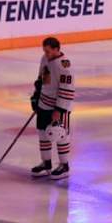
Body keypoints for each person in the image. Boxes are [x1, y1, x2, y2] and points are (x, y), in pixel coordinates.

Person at [30, 37, 75, 180]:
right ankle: (46, 163)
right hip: (44, 103)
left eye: (48, 51)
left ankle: (64, 165)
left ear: (57, 49)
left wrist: (59, 109)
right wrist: (36, 97)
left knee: (61, 134)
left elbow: (67, 89)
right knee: (43, 133)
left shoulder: (64, 66)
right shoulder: (44, 58)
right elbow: (40, 79)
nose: (46, 54)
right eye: (44, 51)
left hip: (57, 106)